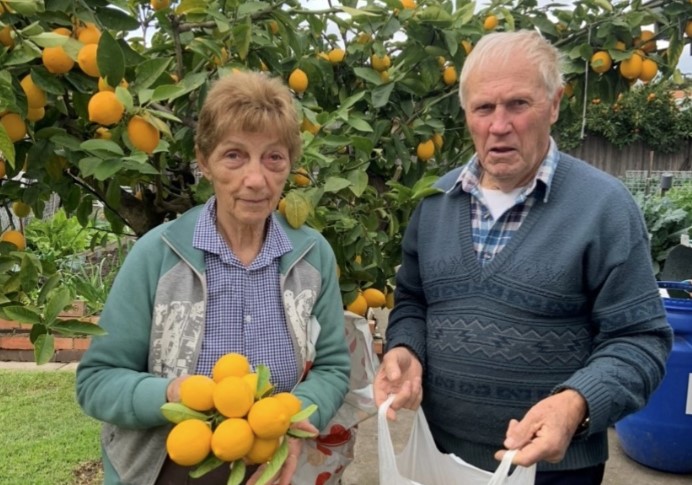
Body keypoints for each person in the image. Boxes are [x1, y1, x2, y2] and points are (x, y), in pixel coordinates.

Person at [374, 30, 673, 484]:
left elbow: (641, 340)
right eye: (484, 108)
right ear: (467, 114)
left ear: (554, 104)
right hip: (440, 458)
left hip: (556, 471)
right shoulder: (436, 202)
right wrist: (405, 347)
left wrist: (575, 403)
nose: (499, 125)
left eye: (518, 104)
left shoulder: (604, 208)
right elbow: (414, 301)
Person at [76, 71, 350, 485]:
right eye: (234, 155)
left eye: (274, 158)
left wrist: (293, 416)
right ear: (204, 161)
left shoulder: (312, 257)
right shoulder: (158, 255)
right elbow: (97, 381)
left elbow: (332, 367)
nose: (255, 179)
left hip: (275, 469)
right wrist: (171, 393)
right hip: (167, 470)